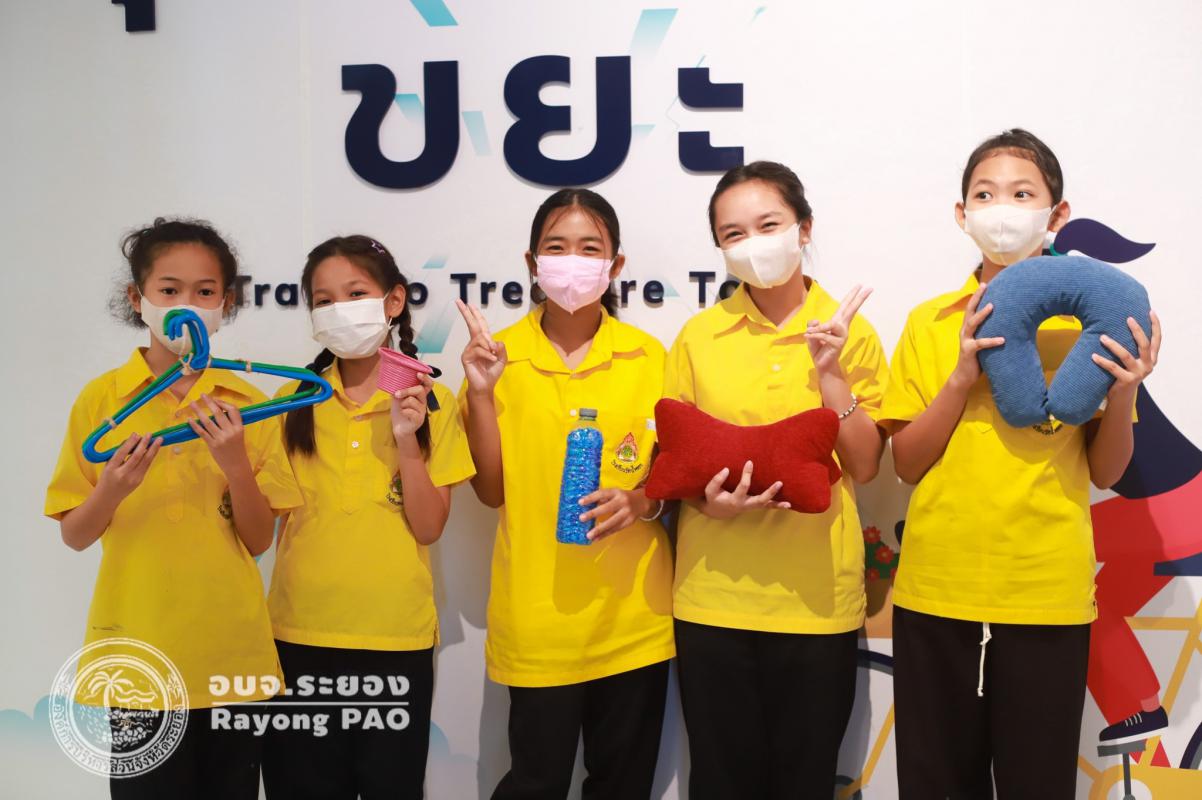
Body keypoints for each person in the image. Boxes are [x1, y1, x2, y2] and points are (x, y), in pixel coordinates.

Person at [881, 129, 1161, 798]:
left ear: (1056, 213)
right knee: (934, 781)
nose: (1001, 209)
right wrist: (961, 377)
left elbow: (1107, 472)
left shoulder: (1094, 326)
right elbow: (906, 464)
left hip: (1046, 593)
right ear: (962, 213)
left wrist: (1126, 391)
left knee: (1038, 782)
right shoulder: (929, 322)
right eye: (984, 195)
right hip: (937, 590)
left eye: (1021, 193)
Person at [45, 217, 301, 799]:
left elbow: (259, 540)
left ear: (225, 303)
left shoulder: (247, 402)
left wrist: (236, 464)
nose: (186, 304)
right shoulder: (102, 401)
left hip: (231, 657)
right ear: (138, 298)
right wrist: (112, 489)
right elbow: (74, 535)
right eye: (169, 289)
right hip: (139, 660)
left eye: (204, 291)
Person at [664, 160, 887, 799]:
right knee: (721, 781)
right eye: (733, 234)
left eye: (769, 225)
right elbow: (674, 463)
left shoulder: (849, 331)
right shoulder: (698, 337)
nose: (754, 244)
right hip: (712, 598)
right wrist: (708, 501)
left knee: (804, 781)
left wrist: (831, 372)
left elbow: (866, 465)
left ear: (803, 228)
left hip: (816, 602)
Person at [458, 189, 675, 799]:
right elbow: (491, 491)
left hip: (633, 619)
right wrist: (481, 393)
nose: (572, 262)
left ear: (615, 264)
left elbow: (670, 473)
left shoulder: (648, 357)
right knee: (535, 783)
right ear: (532, 263)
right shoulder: (496, 359)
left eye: (589, 248)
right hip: (538, 619)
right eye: (556, 248)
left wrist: (641, 501)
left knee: (623, 785)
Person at [262, 235, 475, 799]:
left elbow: (429, 527)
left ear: (394, 300)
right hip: (298, 634)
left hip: (394, 639)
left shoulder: (431, 401)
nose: (340, 309)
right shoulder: (292, 401)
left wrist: (407, 441)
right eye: (323, 300)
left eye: (356, 293)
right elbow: (263, 528)